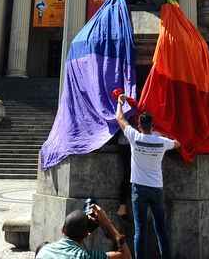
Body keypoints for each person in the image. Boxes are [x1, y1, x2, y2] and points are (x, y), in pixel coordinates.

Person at [116, 94, 179, 259]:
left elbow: (120, 118)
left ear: (139, 125)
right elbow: (177, 143)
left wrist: (120, 103)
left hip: (139, 189)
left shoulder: (134, 137)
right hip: (156, 189)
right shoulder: (162, 142)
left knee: (140, 230)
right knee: (161, 229)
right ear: (152, 125)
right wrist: (159, 134)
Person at [35, 205, 131, 258]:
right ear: (86, 234)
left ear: (62, 229)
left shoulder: (44, 249)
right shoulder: (83, 256)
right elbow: (126, 257)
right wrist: (106, 223)